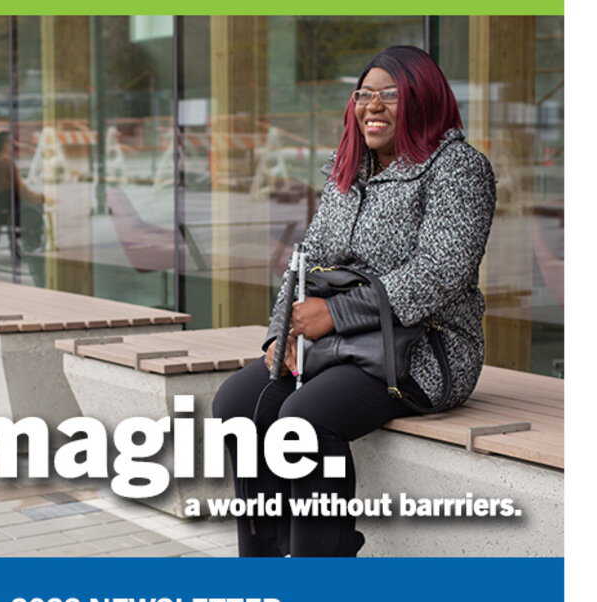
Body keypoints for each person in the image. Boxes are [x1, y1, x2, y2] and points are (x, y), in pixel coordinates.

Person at [211, 46, 497, 557]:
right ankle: (267, 560)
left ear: (424, 99)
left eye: (391, 95)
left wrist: (334, 315)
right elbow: (304, 261)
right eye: (365, 95)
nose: (374, 107)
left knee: (302, 419)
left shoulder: (458, 168)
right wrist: (283, 332)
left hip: (422, 350)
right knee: (236, 406)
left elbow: (442, 271)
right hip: (339, 343)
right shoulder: (348, 170)